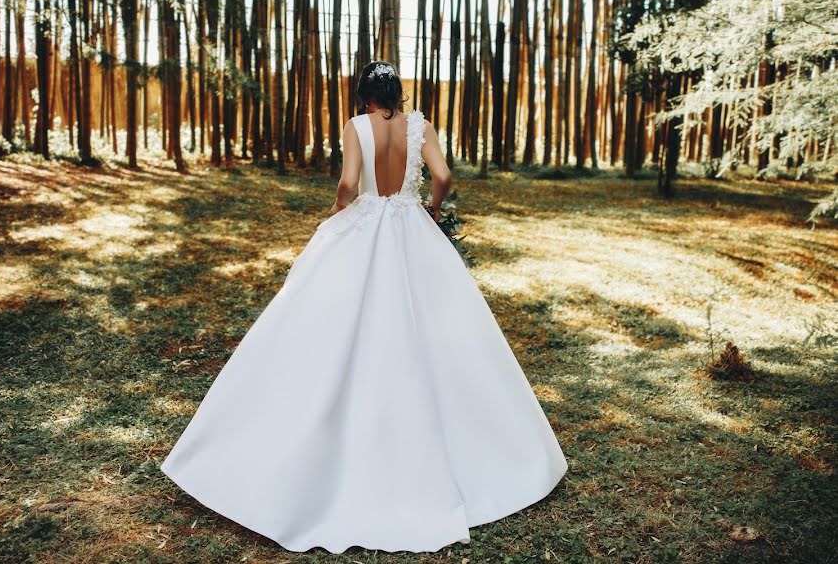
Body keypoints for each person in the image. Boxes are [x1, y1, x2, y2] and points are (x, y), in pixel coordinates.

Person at [160, 60, 568, 554]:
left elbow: (350, 184)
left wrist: (338, 215)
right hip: (412, 227)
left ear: (364, 98)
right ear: (398, 93)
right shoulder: (421, 125)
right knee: (441, 329)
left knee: (335, 324)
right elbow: (443, 175)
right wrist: (432, 210)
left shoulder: (356, 126)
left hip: (367, 228)